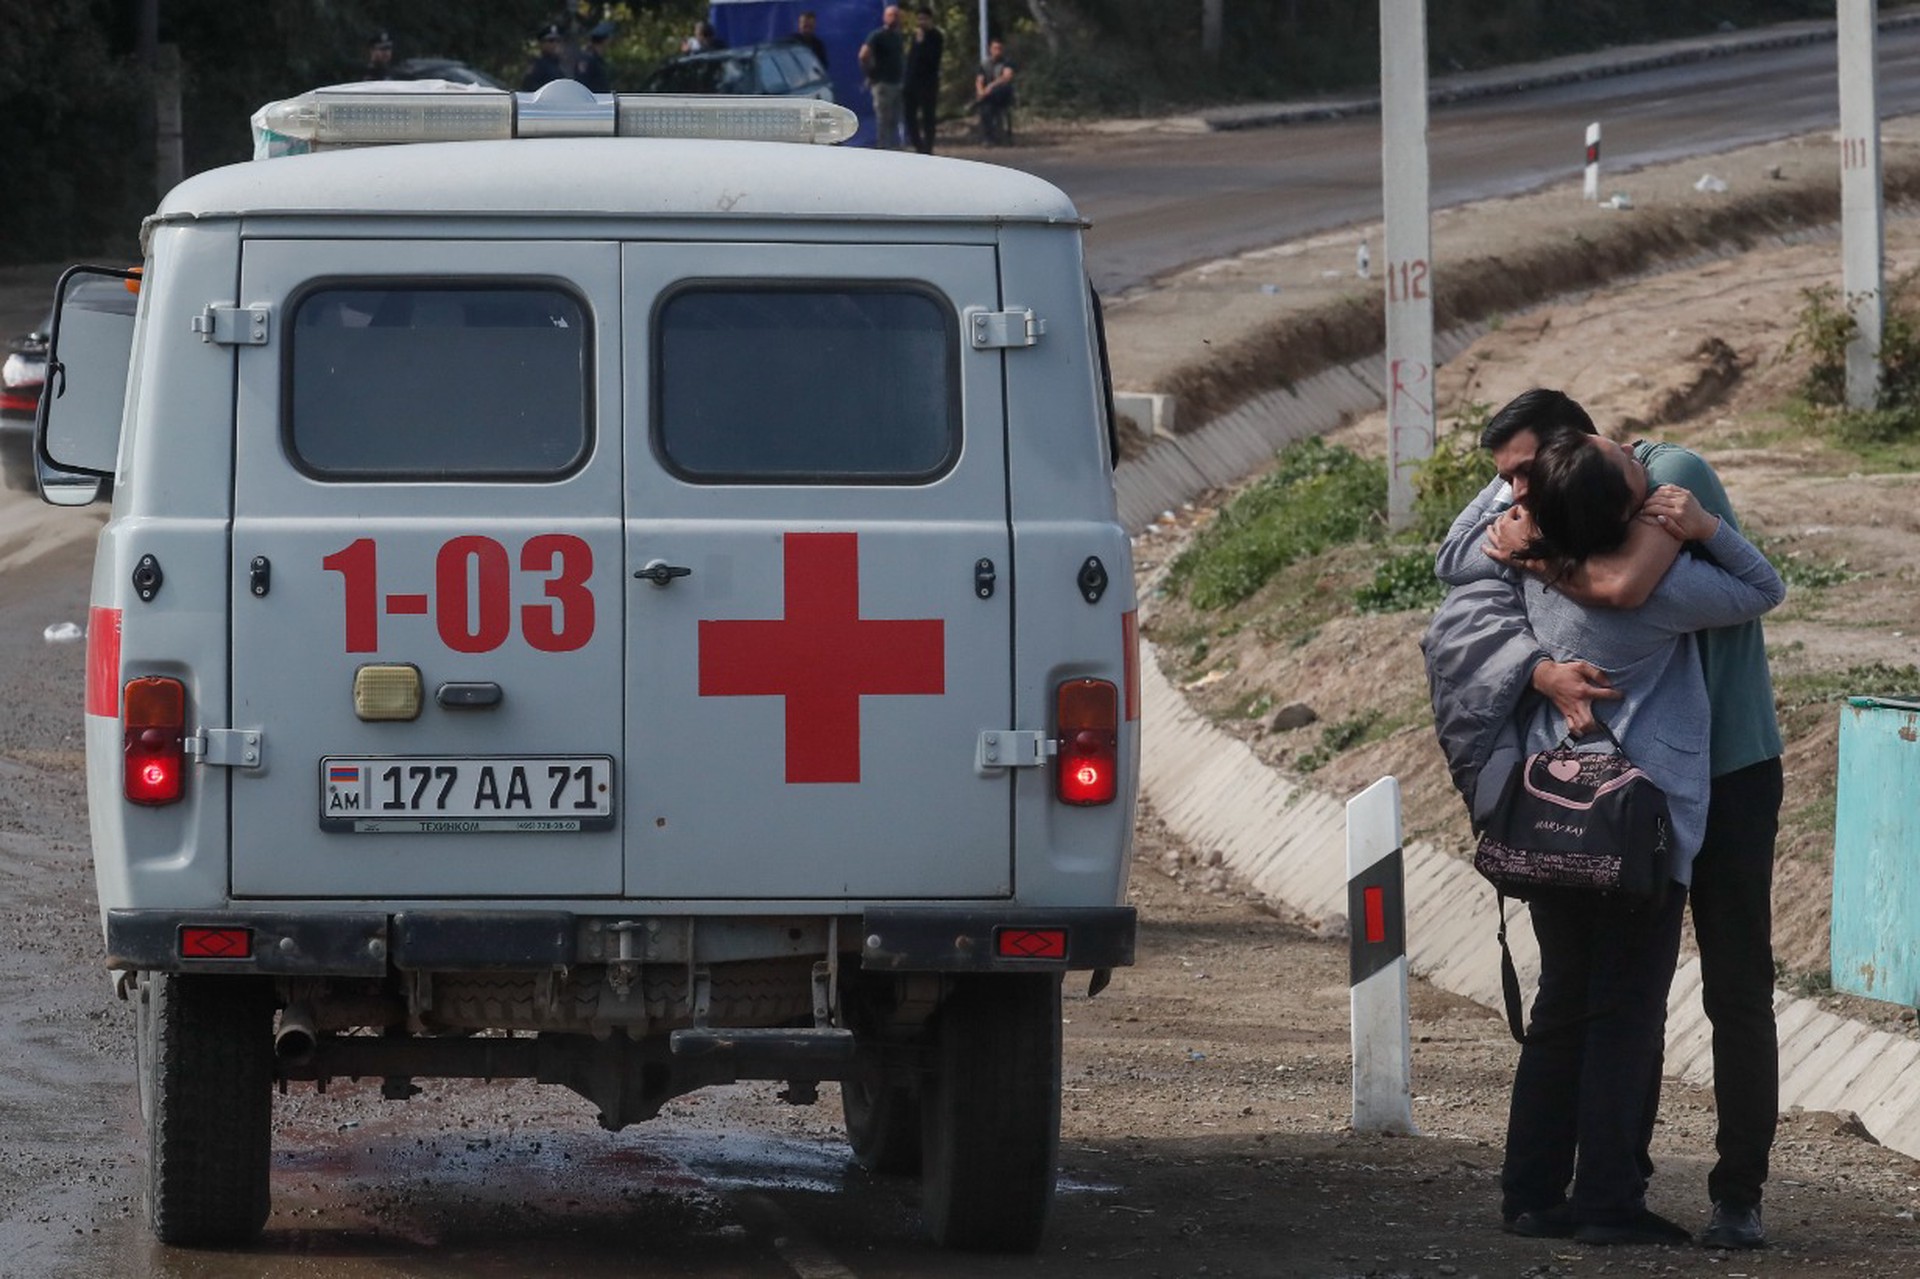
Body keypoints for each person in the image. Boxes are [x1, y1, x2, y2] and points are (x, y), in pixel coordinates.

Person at [1438, 388, 1786, 1251]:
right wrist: (1704, 532)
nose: (1510, 494)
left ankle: (1534, 1192)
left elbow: (1600, 580)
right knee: (1629, 1007)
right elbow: (1749, 585)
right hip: (1649, 808)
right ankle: (1608, 1199)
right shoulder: (1647, 562)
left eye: (1523, 478)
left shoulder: (1554, 549)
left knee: (1574, 998)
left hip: (1571, 799)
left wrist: (1537, 565)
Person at [859, 5, 908, 149]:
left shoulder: (898, 37)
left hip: (897, 83)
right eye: (891, 15)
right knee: (883, 120)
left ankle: (895, 149)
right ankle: (883, 149)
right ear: (885, 17)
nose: (894, 18)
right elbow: (863, 55)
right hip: (882, 84)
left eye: (896, 15)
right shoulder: (877, 35)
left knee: (896, 119)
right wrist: (871, 74)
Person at [902, 6, 945, 155]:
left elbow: (932, 59)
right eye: (919, 19)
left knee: (928, 116)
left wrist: (921, 43)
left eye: (924, 19)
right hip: (912, 83)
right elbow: (911, 60)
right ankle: (918, 145)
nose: (921, 22)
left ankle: (928, 147)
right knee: (909, 115)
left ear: (930, 20)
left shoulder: (936, 36)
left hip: (928, 83)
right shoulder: (916, 36)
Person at [973, 38, 1015, 145]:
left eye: (1000, 48)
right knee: (985, 108)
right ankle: (988, 138)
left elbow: (1006, 77)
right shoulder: (984, 63)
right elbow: (979, 80)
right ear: (990, 49)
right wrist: (980, 91)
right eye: (995, 48)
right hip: (988, 96)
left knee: (994, 92)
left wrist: (990, 87)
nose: (998, 51)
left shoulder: (1007, 62)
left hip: (1002, 93)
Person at [522, 23, 571, 91]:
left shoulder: (564, 65)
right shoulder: (537, 67)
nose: (555, 44)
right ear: (542, 43)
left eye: (558, 40)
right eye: (551, 40)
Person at [575, 21, 614, 93]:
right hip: (591, 102)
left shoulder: (597, 60)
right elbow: (582, 85)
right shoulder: (587, 59)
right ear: (606, 40)